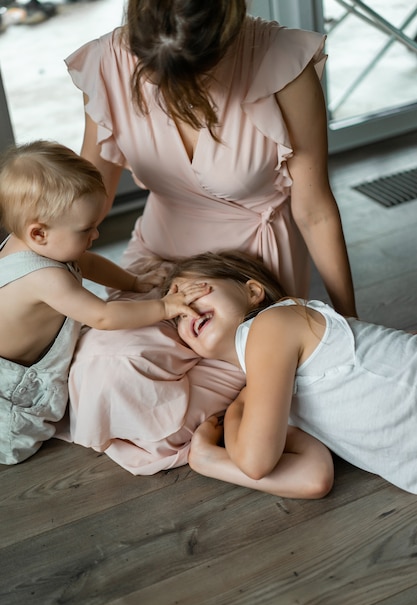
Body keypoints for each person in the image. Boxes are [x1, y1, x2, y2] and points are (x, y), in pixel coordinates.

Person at [63, 0, 357, 474]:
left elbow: (315, 209)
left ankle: (236, 418)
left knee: (180, 412)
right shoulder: (106, 62)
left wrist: (347, 324)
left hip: (248, 268)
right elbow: (87, 195)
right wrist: (35, 265)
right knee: (105, 368)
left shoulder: (280, 62)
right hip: (159, 253)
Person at [0, 140, 207, 465]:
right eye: (86, 229)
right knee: (15, 441)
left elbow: (89, 263)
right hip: (13, 383)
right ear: (39, 234)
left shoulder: (33, 242)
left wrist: (134, 283)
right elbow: (105, 317)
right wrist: (165, 307)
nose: (95, 235)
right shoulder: (43, 277)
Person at [164, 249, 417, 497]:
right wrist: (209, 459)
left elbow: (256, 462)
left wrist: (232, 416)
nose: (187, 310)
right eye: (177, 317)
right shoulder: (268, 393)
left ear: (252, 291)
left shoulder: (272, 323)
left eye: (193, 292)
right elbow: (312, 476)